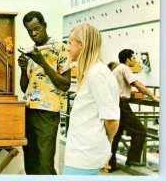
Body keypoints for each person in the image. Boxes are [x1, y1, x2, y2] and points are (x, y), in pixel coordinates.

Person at [17, 11, 71, 175]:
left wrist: (43, 63)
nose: (34, 33)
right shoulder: (32, 51)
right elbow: (24, 88)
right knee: (30, 161)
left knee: (45, 164)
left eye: (37, 28)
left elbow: (66, 85)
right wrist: (23, 68)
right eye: (29, 30)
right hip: (28, 110)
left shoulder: (60, 48)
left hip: (48, 113)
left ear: (45, 25)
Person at [62, 24, 120, 175]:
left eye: (69, 43)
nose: (67, 47)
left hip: (84, 158)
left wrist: (106, 146)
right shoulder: (94, 72)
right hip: (83, 155)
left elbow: (112, 119)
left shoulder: (97, 74)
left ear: (81, 45)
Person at [107, 49, 159, 172]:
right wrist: (152, 96)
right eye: (133, 58)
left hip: (116, 103)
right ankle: (133, 159)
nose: (135, 61)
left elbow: (126, 86)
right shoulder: (124, 68)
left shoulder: (117, 70)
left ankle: (110, 164)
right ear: (128, 59)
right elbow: (137, 84)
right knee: (141, 130)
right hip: (121, 105)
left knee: (116, 135)